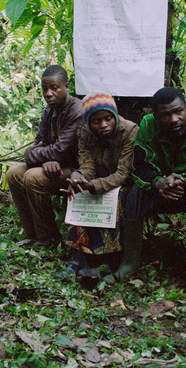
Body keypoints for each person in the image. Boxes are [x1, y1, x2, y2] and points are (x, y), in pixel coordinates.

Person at [107, 87, 186, 300]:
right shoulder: (147, 125)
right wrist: (158, 182)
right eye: (165, 115)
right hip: (161, 190)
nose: (174, 119)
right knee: (134, 192)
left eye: (178, 111)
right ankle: (129, 263)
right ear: (155, 115)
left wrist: (183, 182)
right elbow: (139, 166)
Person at [58, 91, 138, 284]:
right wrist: (79, 177)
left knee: (115, 199)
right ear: (88, 123)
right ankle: (80, 258)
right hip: (98, 181)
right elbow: (87, 165)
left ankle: (109, 261)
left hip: (124, 185)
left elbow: (124, 173)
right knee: (79, 192)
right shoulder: (84, 132)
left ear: (115, 116)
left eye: (108, 118)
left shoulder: (129, 131)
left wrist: (95, 185)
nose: (103, 125)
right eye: (96, 121)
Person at [5, 65, 84, 248]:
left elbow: (61, 151)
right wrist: (36, 154)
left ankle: (49, 237)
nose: (48, 93)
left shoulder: (77, 110)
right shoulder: (49, 111)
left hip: (77, 170)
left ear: (66, 86)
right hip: (54, 165)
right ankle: (32, 233)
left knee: (34, 177)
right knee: (14, 173)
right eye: (45, 89)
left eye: (54, 88)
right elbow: (39, 144)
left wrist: (37, 154)